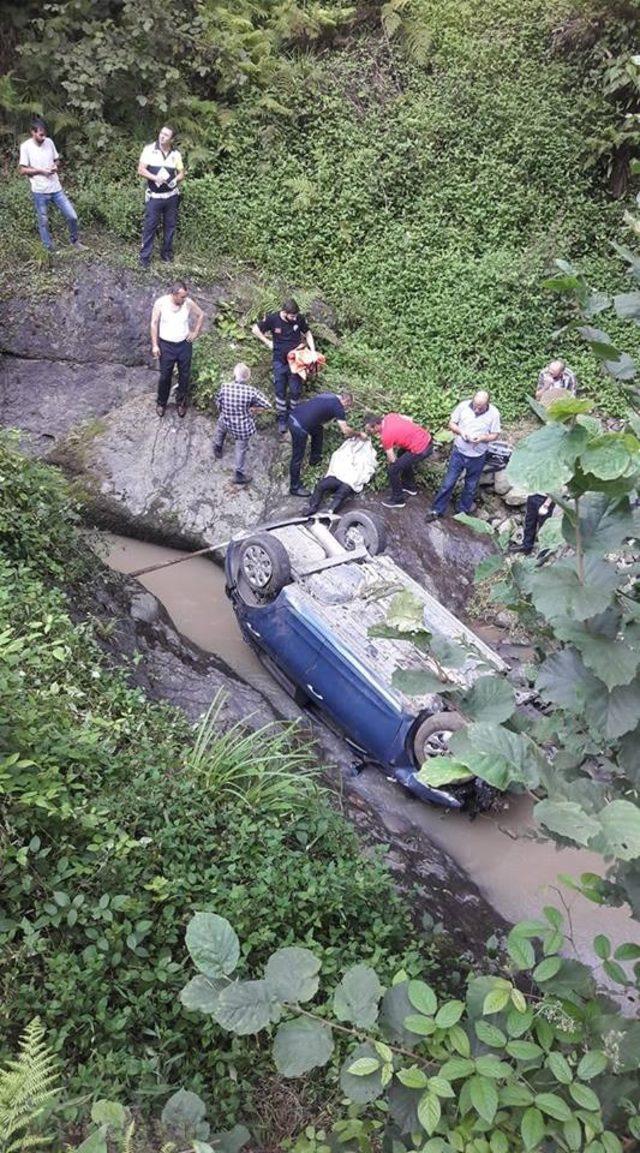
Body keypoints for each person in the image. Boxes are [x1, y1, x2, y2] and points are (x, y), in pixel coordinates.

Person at [426, 391, 501, 522]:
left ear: (487, 404)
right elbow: (451, 423)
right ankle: (437, 510)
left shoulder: (494, 413)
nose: (477, 409)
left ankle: (462, 512)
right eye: (475, 405)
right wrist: (462, 432)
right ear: (472, 400)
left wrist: (483, 438)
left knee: (471, 486)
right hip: (459, 452)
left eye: (481, 407)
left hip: (478, 455)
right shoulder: (463, 406)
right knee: (448, 483)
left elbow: (495, 434)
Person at [18, 116, 85, 253]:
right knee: (44, 222)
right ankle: (49, 249)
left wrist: (55, 166)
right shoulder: (25, 147)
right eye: (40, 134)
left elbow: (57, 160)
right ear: (33, 132)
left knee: (72, 216)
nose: (43, 137)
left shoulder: (49, 142)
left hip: (56, 188)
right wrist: (41, 170)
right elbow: (22, 170)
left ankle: (75, 241)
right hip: (39, 190)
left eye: (45, 134)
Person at [251, 300, 315, 433]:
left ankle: (293, 416)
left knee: (295, 391)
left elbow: (308, 333)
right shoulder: (273, 319)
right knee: (280, 391)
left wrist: (313, 352)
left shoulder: (299, 319)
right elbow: (255, 329)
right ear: (284, 313)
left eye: (296, 316)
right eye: (292, 316)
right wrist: (267, 341)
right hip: (279, 361)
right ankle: (282, 419)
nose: (294, 318)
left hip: (296, 361)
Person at [288, 391, 360, 497]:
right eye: (348, 406)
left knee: (318, 430)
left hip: (294, 415)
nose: (347, 409)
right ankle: (294, 487)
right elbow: (345, 430)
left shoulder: (328, 395)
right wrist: (358, 434)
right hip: (298, 426)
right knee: (297, 457)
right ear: (345, 401)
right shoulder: (338, 406)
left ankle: (315, 459)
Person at [150, 280, 204, 417]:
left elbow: (201, 315)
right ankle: (161, 403)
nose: (184, 298)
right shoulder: (161, 303)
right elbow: (154, 324)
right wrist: (155, 345)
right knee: (165, 376)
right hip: (166, 345)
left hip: (184, 344)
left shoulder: (188, 303)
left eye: (185, 296)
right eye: (182, 296)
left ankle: (181, 403)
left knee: (184, 375)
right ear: (174, 294)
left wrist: (195, 332)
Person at [213, 364, 271, 485]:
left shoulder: (225, 387)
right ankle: (239, 473)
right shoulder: (251, 391)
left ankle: (217, 448)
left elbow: (217, 400)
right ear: (248, 377)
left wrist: (223, 410)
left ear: (235, 374)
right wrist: (253, 409)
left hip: (225, 419)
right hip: (241, 427)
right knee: (240, 449)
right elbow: (267, 404)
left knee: (220, 429)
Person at [138, 126, 184, 268]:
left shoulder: (176, 154)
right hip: (155, 197)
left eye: (166, 135)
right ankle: (144, 258)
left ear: (171, 139)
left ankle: (166, 255)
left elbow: (182, 173)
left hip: (171, 197)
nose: (162, 136)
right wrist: (155, 177)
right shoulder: (149, 149)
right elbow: (141, 170)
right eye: (161, 133)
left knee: (170, 226)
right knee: (150, 226)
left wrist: (175, 180)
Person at [364, 412, 432, 509]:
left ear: (375, 426)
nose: (370, 432)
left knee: (393, 470)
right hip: (426, 439)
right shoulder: (390, 416)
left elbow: (392, 459)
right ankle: (410, 487)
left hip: (421, 449)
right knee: (402, 454)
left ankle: (398, 499)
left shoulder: (386, 436)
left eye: (370, 430)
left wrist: (390, 461)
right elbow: (410, 419)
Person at [301, 437, 378, 515]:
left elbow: (367, 468)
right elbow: (337, 458)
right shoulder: (345, 449)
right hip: (337, 475)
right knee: (321, 485)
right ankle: (313, 507)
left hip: (351, 480)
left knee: (342, 492)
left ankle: (331, 510)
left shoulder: (366, 453)